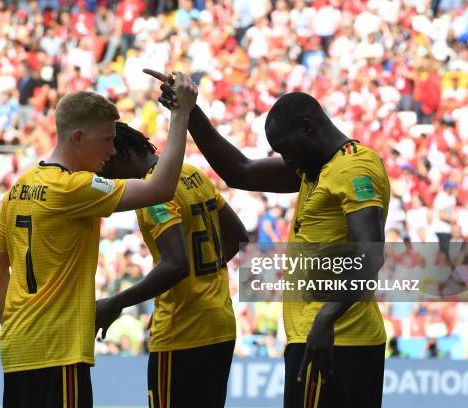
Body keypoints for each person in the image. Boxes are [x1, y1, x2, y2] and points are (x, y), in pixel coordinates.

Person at [146, 69, 389, 407]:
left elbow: (372, 253)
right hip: (330, 338)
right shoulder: (316, 167)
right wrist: (188, 111)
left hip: (334, 339)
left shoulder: (353, 170)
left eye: (286, 150)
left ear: (309, 128)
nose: (286, 160)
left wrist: (327, 316)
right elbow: (239, 171)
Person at [0, 73, 198, 408]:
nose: (113, 151)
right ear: (79, 137)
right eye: (107, 140)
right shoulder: (73, 187)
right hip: (59, 354)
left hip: (18, 351)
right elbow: (160, 188)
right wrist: (181, 113)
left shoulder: (21, 186)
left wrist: (17, 328)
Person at [96, 122, 249, 407]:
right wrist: (193, 285)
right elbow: (238, 237)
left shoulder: (152, 191)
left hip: (182, 333)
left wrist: (114, 303)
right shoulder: (191, 174)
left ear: (126, 155)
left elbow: (175, 264)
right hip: (219, 324)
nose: (112, 179)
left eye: (110, 169)